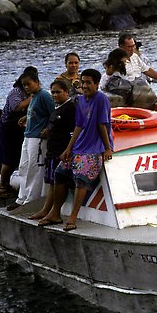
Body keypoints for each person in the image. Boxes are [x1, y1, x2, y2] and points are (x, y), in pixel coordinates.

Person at [53, 68, 113, 232]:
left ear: (97, 84)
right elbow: (78, 126)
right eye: (83, 82)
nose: (85, 86)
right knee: (59, 172)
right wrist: (69, 148)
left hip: (95, 146)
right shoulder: (80, 100)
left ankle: (73, 217)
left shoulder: (101, 99)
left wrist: (107, 148)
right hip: (80, 145)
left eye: (88, 82)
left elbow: (103, 125)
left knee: (81, 178)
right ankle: (55, 212)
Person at [28, 79, 77, 225]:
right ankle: (46, 209)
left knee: (59, 181)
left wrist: (69, 149)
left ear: (66, 92)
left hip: (61, 152)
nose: (55, 95)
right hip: (52, 150)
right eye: (53, 92)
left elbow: (73, 131)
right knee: (51, 182)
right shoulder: (57, 108)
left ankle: (55, 213)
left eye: (58, 92)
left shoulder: (70, 108)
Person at [7, 70, 56, 211]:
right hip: (28, 135)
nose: (26, 87)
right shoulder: (33, 96)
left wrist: (48, 128)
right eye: (24, 85)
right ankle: (21, 197)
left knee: (34, 169)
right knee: (23, 167)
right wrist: (26, 118)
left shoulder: (44, 96)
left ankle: (31, 199)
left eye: (29, 84)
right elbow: (36, 113)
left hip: (38, 138)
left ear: (37, 82)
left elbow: (53, 114)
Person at [0, 66, 36, 197]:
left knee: (18, 157)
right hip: (8, 128)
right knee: (9, 158)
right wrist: (31, 98)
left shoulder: (30, 92)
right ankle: (3, 186)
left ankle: (8, 184)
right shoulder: (16, 92)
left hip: (20, 128)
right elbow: (16, 107)